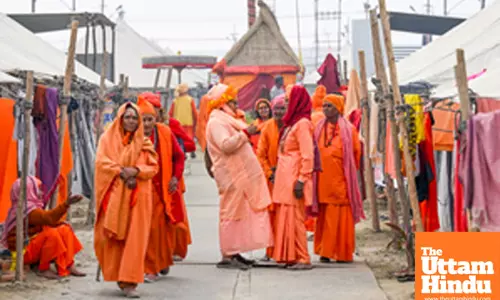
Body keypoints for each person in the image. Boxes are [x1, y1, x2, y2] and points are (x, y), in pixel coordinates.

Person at [94, 102, 159, 298]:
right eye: (127, 117)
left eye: (134, 118)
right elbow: (101, 162)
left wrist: (136, 171)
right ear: (121, 118)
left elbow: (153, 168)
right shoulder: (107, 139)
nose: (131, 121)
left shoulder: (144, 142)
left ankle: (130, 281)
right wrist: (121, 172)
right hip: (114, 195)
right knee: (112, 238)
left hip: (139, 197)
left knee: (135, 240)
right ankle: (118, 276)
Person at [205, 84, 273, 270]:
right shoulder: (216, 122)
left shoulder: (226, 119)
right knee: (230, 214)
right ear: (223, 103)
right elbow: (226, 145)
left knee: (240, 212)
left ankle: (236, 251)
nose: (236, 106)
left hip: (238, 175)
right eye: (232, 102)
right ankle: (228, 254)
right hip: (230, 175)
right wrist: (245, 134)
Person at [137, 96, 185, 282]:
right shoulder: (132, 136)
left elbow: (179, 156)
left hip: (162, 189)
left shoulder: (164, 132)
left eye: (150, 119)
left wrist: (175, 177)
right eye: (144, 120)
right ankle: (151, 266)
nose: (147, 123)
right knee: (146, 230)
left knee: (160, 229)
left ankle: (158, 264)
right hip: (140, 189)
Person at [1, 176, 85, 279]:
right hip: (22, 253)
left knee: (64, 228)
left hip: (32, 246)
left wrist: (60, 223)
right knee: (51, 234)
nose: (41, 192)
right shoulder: (26, 211)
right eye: (37, 189)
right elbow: (48, 218)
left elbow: (47, 221)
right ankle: (43, 268)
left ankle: (69, 264)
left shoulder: (30, 207)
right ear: (29, 191)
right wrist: (66, 204)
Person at [313, 94, 364, 263]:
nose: (325, 109)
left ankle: (341, 253)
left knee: (339, 217)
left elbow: (356, 155)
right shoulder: (319, 127)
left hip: (341, 180)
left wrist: (346, 172)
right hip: (322, 181)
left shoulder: (349, 130)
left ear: (339, 108)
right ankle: (324, 251)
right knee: (324, 217)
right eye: (324, 106)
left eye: (329, 106)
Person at [272, 85, 314, 270]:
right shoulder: (293, 123)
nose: (286, 104)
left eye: (289, 101)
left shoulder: (303, 124)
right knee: (287, 217)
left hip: (294, 178)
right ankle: (291, 255)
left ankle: (303, 257)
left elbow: (308, 155)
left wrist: (302, 179)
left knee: (295, 218)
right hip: (285, 177)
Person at [256, 94, 286, 261]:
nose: (279, 112)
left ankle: (284, 251)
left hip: (287, 178)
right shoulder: (267, 127)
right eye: (276, 109)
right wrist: (270, 173)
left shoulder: (291, 127)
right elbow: (261, 155)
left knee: (286, 216)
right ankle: (270, 252)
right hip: (271, 179)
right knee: (271, 216)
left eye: (282, 109)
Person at [169, 83, 198, 158]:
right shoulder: (190, 100)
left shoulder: (175, 101)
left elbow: (170, 113)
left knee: (180, 139)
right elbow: (194, 112)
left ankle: (183, 152)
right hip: (188, 122)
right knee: (190, 137)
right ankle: (192, 150)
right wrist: (196, 120)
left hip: (178, 123)